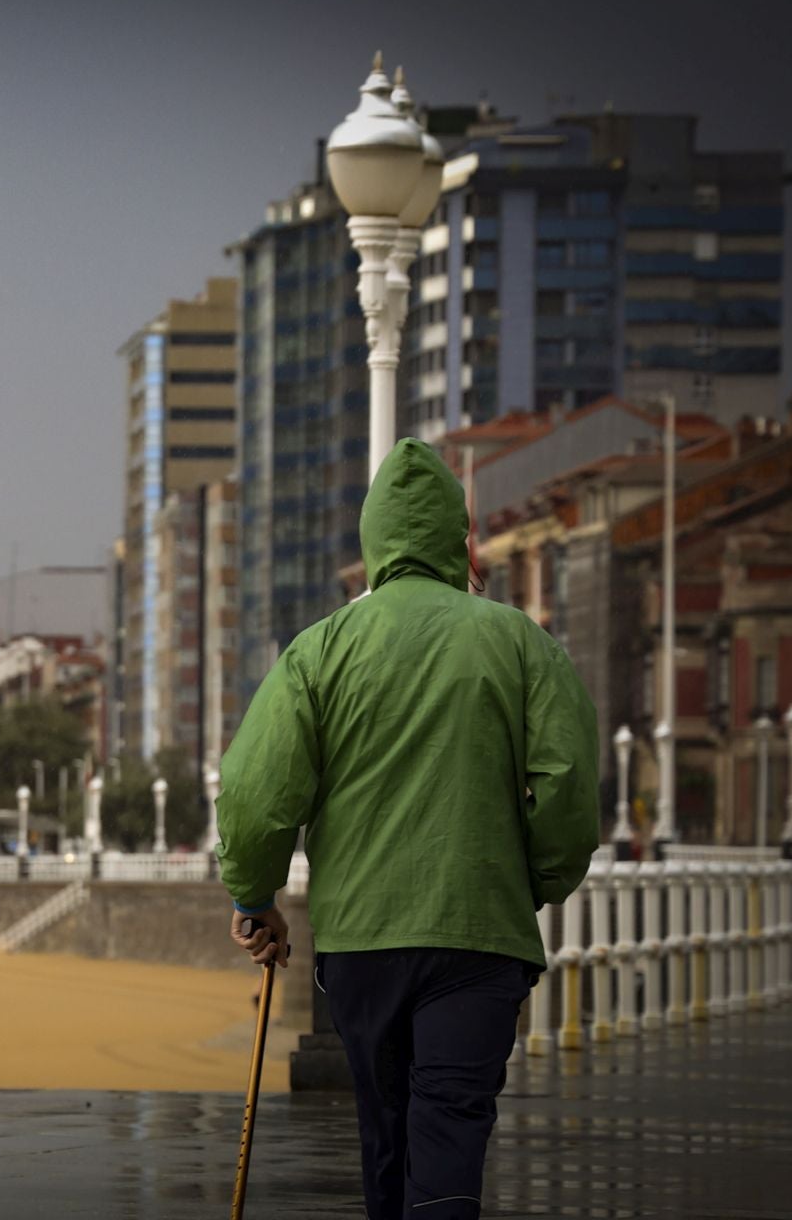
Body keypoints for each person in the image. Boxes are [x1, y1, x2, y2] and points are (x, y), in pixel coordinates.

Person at [216, 438, 599, 1220]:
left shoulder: (319, 651)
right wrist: (536, 880)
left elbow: (256, 793)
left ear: (374, 542)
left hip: (363, 944)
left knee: (385, 1131)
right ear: (458, 540)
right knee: (451, 1126)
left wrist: (254, 897)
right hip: (481, 936)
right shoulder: (520, 641)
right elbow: (567, 787)